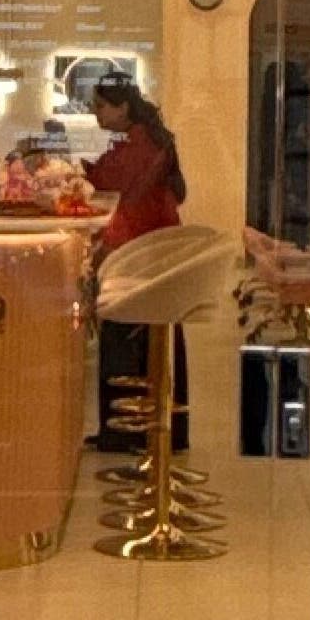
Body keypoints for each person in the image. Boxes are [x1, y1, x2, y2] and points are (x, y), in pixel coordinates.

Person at [84, 73, 189, 454]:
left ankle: (128, 430)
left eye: (100, 106)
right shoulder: (145, 139)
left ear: (122, 107)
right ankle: (141, 428)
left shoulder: (140, 145)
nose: (95, 113)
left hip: (140, 255)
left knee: (126, 334)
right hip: (150, 250)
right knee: (143, 337)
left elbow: (111, 182)